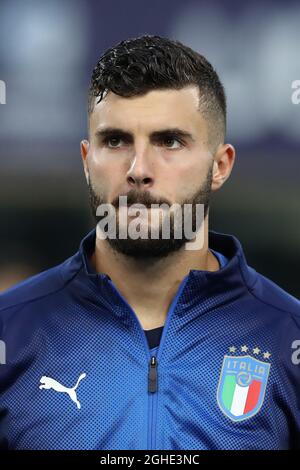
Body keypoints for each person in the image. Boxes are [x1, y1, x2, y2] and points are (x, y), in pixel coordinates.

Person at [0, 34, 299, 451]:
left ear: (220, 166)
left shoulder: (287, 338)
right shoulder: (11, 333)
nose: (139, 170)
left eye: (169, 141)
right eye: (116, 141)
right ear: (87, 161)